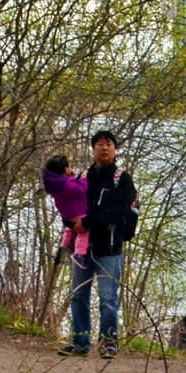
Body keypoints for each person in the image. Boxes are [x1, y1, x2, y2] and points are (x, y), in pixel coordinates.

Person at [59, 129, 137, 359]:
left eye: (109, 144)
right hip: (82, 249)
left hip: (108, 249)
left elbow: (119, 212)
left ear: (115, 150)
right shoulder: (82, 177)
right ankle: (80, 341)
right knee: (78, 296)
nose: (104, 148)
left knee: (108, 299)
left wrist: (88, 221)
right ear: (92, 149)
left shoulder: (122, 179)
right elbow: (66, 204)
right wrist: (74, 223)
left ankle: (108, 343)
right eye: (100, 144)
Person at [40, 155, 90, 258]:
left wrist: (71, 177)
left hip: (68, 216)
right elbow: (80, 191)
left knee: (70, 228)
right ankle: (79, 253)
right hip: (78, 214)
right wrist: (84, 179)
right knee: (84, 233)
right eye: (68, 167)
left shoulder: (55, 184)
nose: (71, 169)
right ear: (63, 169)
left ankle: (66, 242)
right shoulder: (66, 183)